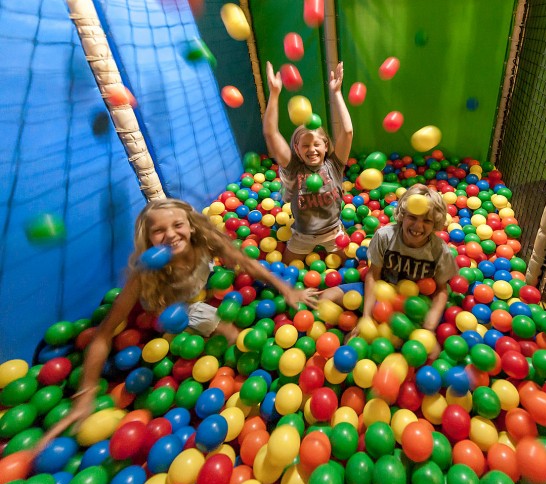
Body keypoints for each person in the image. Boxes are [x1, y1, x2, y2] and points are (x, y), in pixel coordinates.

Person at [37, 198, 318, 447]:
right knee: (229, 332)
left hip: (202, 286)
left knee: (229, 316)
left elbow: (247, 263)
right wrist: (86, 392)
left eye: (177, 225)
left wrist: (287, 289)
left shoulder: (205, 240)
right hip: (173, 309)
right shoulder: (144, 274)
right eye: (158, 231)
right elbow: (103, 333)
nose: (170, 235)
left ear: (191, 225)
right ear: (148, 239)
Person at [322, 184, 458, 338]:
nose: (418, 226)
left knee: (424, 344)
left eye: (427, 221)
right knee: (326, 297)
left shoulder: (439, 250)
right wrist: (367, 317)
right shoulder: (384, 236)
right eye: (412, 217)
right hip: (381, 295)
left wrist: (429, 327)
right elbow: (373, 275)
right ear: (402, 215)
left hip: (414, 305)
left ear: (435, 223)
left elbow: (441, 289)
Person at [263, 60, 353, 264]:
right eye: (305, 146)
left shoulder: (334, 165)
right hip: (302, 236)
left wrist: (337, 93)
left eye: (316, 144)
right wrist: (274, 94)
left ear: (325, 145)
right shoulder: (294, 168)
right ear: (296, 149)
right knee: (287, 275)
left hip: (333, 232)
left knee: (349, 268)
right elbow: (270, 133)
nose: (311, 149)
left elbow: (347, 132)